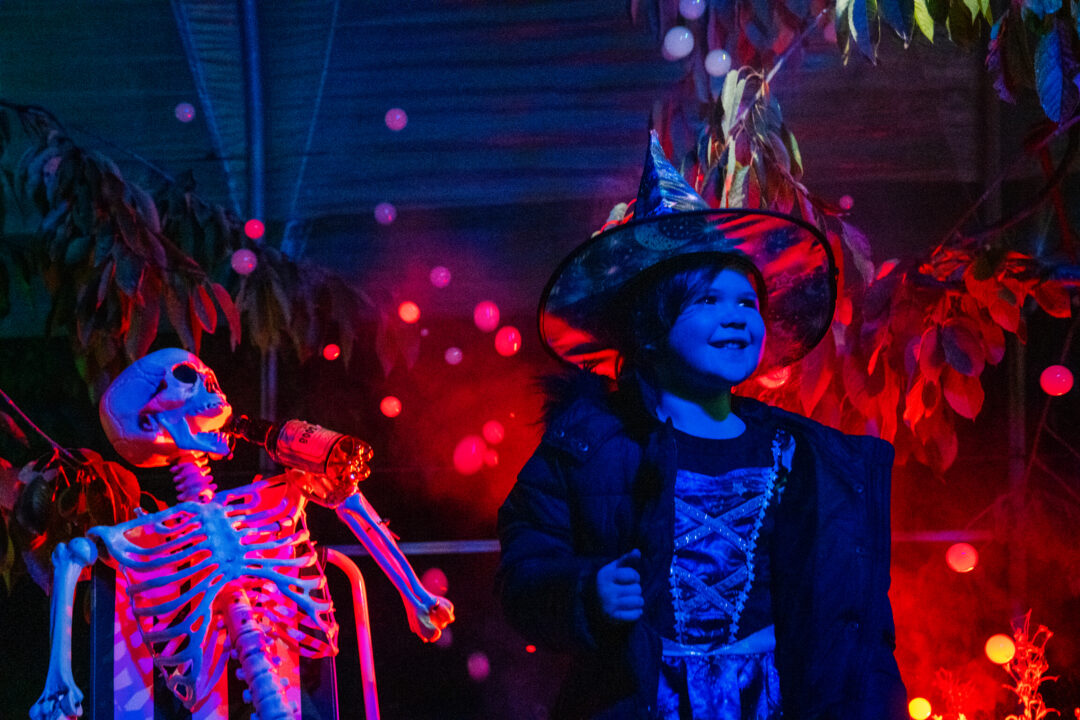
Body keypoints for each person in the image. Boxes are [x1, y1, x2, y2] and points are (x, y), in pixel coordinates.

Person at [496, 132, 907, 719]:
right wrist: (585, 590)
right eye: (708, 302)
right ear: (650, 328)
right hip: (642, 701)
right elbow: (525, 569)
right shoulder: (590, 447)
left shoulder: (805, 455)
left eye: (747, 303)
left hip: (771, 702)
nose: (737, 318)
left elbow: (855, 621)